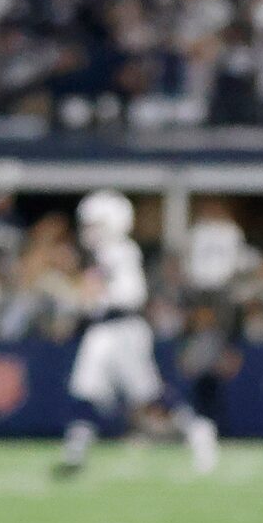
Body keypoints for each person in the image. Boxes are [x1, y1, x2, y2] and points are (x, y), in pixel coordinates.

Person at [55, 189, 220, 477]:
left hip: (123, 328)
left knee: (147, 394)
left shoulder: (118, 250)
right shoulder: (107, 252)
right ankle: (75, 453)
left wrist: (76, 291)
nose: (90, 231)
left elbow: (109, 292)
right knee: (85, 387)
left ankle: (198, 429)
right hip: (104, 330)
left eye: (96, 225)